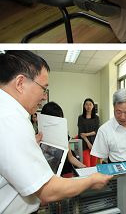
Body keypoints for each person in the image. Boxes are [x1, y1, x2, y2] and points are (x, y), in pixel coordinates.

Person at [0, 51, 112, 213]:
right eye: (43, 89)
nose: (44, 97)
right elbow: (47, 191)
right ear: (20, 83)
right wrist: (91, 180)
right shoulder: (11, 120)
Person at [40, 101, 86, 174]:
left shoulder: (62, 134)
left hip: (64, 172)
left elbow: (71, 157)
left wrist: (85, 168)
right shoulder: (38, 137)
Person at [78, 98, 100, 167]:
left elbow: (97, 131)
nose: (88, 106)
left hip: (94, 143)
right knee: (87, 165)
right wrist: (88, 143)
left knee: (94, 165)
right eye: (86, 104)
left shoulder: (96, 118)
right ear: (84, 106)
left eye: (90, 104)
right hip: (84, 143)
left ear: (93, 106)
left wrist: (86, 134)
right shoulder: (80, 118)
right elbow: (81, 133)